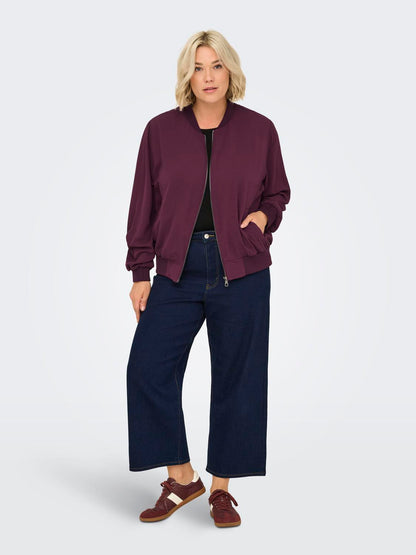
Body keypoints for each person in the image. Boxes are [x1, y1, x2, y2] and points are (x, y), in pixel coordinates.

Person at [125, 29, 291, 528]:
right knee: (147, 369)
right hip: (177, 269)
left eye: (216, 65)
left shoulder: (260, 129)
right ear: (187, 76)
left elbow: (278, 193)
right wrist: (140, 271)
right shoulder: (160, 131)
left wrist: (262, 219)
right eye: (198, 67)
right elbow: (143, 203)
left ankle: (221, 488)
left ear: (230, 70)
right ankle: (182, 478)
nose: (208, 76)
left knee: (238, 378)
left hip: (241, 268)